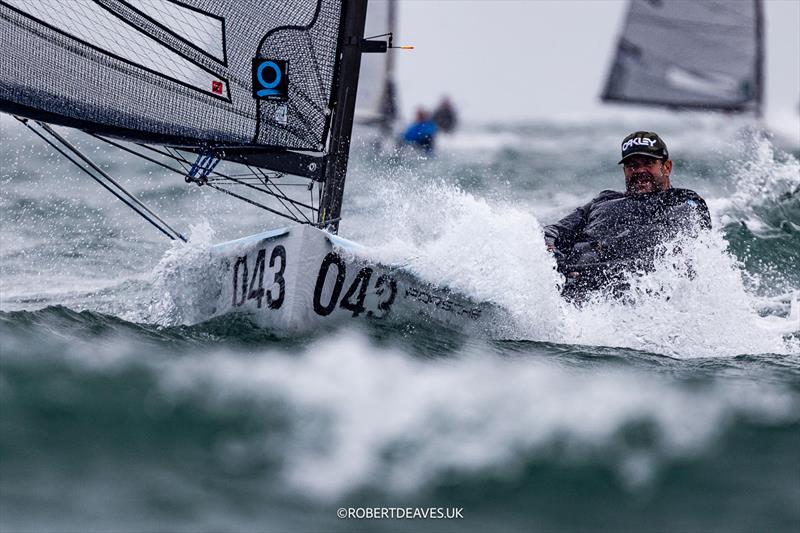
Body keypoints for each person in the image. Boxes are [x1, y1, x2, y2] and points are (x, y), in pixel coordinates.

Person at [544, 131, 711, 300]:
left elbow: (681, 237)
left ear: (667, 167)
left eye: (648, 163)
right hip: (576, 287)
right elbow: (552, 232)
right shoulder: (603, 201)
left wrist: (607, 250)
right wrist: (554, 255)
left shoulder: (683, 200)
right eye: (632, 165)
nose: (640, 171)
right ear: (624, 170)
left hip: (638, 291)